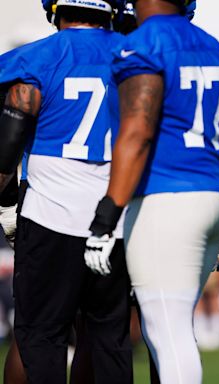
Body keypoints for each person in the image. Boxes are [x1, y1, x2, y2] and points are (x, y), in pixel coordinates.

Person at [83, 0, 219, 382]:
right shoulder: (209, 43)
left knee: (168, 331)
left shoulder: (143, 42)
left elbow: (137, 131)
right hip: (215, 191)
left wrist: (106, 216)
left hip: (169, 196)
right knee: (170, 327)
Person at [0, 0, 134, 383]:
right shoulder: (135, 56)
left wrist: (5, 204)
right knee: (110, 339)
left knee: (39, 336)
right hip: (117, 217)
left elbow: (7, 145)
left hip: (49, 216)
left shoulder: (36, 56)